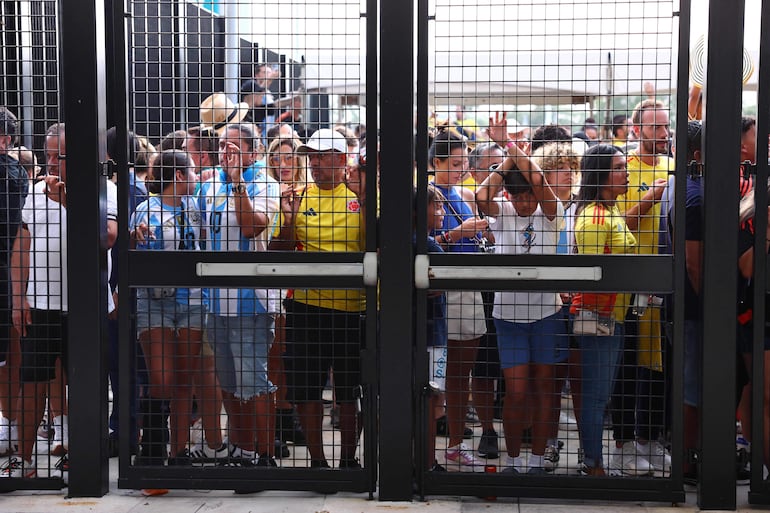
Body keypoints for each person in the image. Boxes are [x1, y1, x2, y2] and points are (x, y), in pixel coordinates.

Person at [5, 123, 117, 479]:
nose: (51, 163)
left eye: (60, 156)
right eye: (48, 154)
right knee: (32, 381)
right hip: (40, 302)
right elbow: (21, 246)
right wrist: (18, 298)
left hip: (85, 304)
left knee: (85, 382)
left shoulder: (105, 189)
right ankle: (23, 462)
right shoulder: (35, 192)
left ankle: (80, 456)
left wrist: (66, 199)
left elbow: (107, 237)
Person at [270, 128, 366, 469]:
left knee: (349, 391)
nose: (314, 163)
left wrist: (366, 199)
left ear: (342, 160)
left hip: (353, 310)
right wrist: (290, 220)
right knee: (306, 391)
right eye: (311, 157)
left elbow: (378, 245)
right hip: (305, 307)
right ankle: (318, 463)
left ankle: (349, 462)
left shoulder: (362, 195)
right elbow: (276, 252)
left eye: (323, 156)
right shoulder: (297, 197)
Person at [477, 112, 566, 474]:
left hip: (547, 313)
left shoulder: (551, 212)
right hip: (508, 316)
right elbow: (484, 194)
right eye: (516, 196)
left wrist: (511, 147)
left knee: (545, 390)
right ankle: (512, 460)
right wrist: (506, 161)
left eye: (527, 195)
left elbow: (541, 182)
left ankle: (535, 459)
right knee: (515, 391)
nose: (523, 203)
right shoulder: (504, 214)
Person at [199, 122, 281, 467]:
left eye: (233, 148)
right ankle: (240, 447)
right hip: (215, 302)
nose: (225, 154)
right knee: (229, 383)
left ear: (253, 151)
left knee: (253, 381)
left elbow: (251, 226)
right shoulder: (207, 185)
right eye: (221, 147)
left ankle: (264, 454)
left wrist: (237, 184)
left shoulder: (265, 183)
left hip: (252, 301)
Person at [130, 150, 206, 466]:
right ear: (177, 176)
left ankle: (179, 451)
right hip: (155, 301)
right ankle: (153, 447)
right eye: (191, 172)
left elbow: (202, 243)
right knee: (161, 378)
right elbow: (131, 250)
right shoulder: (146, 209)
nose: (196, 177)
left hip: (191, 300)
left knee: (184, 379)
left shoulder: (195, 207)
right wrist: (135, 237)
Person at [610, 99, 671, 476]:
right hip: (630, 284)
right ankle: (623, 443)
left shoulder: (673, 168)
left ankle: (649, 439)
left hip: (664, 282)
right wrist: (649, 199)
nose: (662, 134)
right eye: (654, 128)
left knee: (658, 367)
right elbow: (617, 229)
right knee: (627, 368)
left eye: (665, 127)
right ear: (637, 130)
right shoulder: (624, 172)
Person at [571, 144, 637, 476]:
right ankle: (593, 464)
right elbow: (593, 274)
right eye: (619, 167)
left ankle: (593, 459)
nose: (626, 172)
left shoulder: (608, 210)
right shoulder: (596, 216)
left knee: (599, 395)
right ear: (601, 175)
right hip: (599, 317)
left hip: (610, 317)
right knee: (597, 396)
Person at [428, 130, 488, 471]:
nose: (461, 168)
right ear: (436, 163)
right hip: (442, 288)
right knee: (439, 372)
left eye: (464, 162)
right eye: (454, 163)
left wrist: (481, 231)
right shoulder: (429, 195)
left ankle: (454, 442)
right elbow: (422, 240)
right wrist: (456, 234)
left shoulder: (464, 193)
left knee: (461, 373)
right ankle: (435, 444)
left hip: (470, 284)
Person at [0, 107, 28, 458]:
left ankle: (10, 424)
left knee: (8, 355)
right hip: (10, 273)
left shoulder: (8, 174)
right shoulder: (16, 171)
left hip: (6, 273)